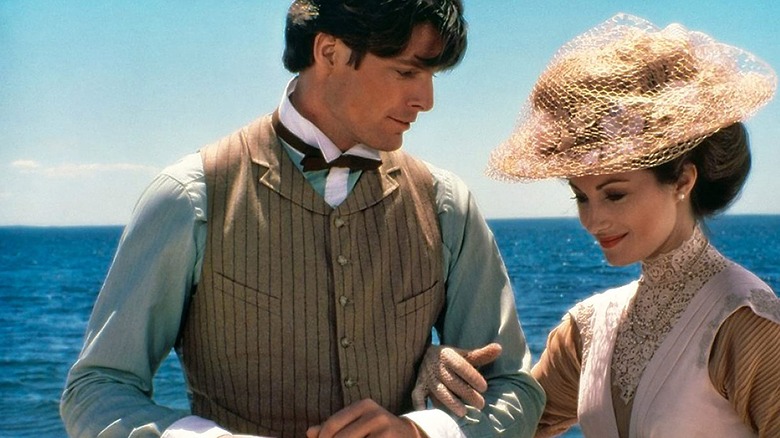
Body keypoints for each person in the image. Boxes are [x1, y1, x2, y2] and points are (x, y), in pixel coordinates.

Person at [60, 1, 545, 437]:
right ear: (330, 52)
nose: (427, 99)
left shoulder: (446, 204)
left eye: (432, 76)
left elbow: (515, 390)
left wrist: (421, 433)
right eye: (405, 72)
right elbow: (97, 389)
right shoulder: (191, 197)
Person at [482, 13, 780, 438]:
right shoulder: (587, 330)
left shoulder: (745, 322)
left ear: (682, 180)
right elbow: (509, 428)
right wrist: (435, 371)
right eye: (581, 197)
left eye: (615, 193)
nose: (593, 219)